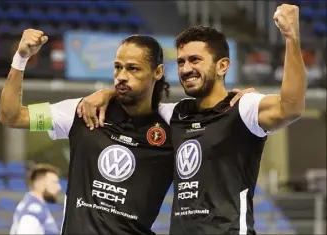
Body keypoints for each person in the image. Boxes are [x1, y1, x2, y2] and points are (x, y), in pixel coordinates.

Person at [77, 4, 306, 234]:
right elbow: (135, 99)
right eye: (180, 62)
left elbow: (291, 107)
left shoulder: (242, 107)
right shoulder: (174, 115)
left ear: (222, 66)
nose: (186, 68)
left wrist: (291, 37)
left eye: (195, 60)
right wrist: (107, 93)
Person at [0, 29, 176, 234]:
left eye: (133, 69)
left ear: (158, 71)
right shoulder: (81, 111)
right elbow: (11, 116)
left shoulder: (171, 125)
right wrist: (21, 58)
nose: (121, 77)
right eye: (117, 67)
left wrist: (107, 93)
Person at [9, 163, 61, 234]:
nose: (59, 187)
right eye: (54, 182)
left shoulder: (38, 208)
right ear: (40, 184)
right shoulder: (32, 212)